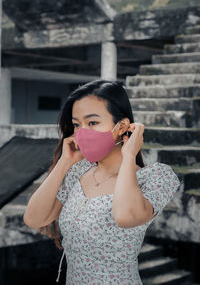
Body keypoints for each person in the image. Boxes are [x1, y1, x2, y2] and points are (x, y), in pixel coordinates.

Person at [23, 79, 181, 285]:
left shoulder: (157, 178)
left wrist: (129, 154)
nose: (82, 133)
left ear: (122, 126)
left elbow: (125, 216)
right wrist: (64, 162)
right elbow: (34, 219)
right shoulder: (78, 171)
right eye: (77, 124)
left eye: (93, 123)